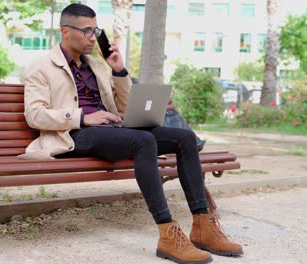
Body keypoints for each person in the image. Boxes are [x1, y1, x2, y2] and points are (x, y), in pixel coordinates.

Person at [21, 3, 242, 264]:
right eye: (88, 31)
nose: (94, 38)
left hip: (112, 130)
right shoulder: (41, 65)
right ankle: (167, 233)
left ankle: (203, 225)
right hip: (76, 134)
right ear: (65, 31)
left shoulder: (97, 64)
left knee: (183, 139)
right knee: (144, 140)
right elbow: (34, 115)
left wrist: (119, 71)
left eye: (96, 31)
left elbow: (123, 107)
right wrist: (83, 116)